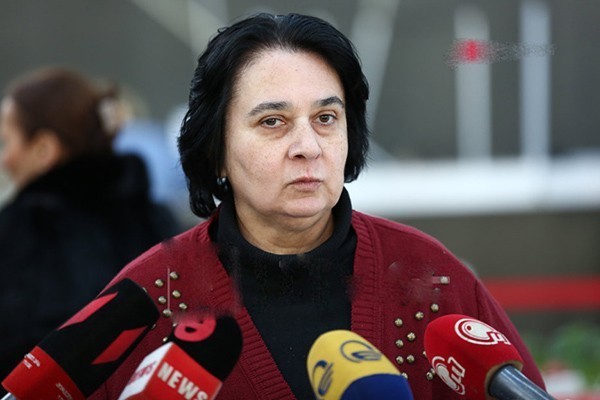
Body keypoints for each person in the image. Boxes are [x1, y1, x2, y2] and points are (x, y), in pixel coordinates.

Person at [90, 13, 546, 399]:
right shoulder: (149, 297)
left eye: (326, 118)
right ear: (216, 148)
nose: (307, 147)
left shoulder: (432, 278)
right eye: (273, 122)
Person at [0, 67, 182, 382]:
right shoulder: (154, 218)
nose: (4, 159)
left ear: (44, 149)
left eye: (6, 142)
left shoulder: (24, 227)